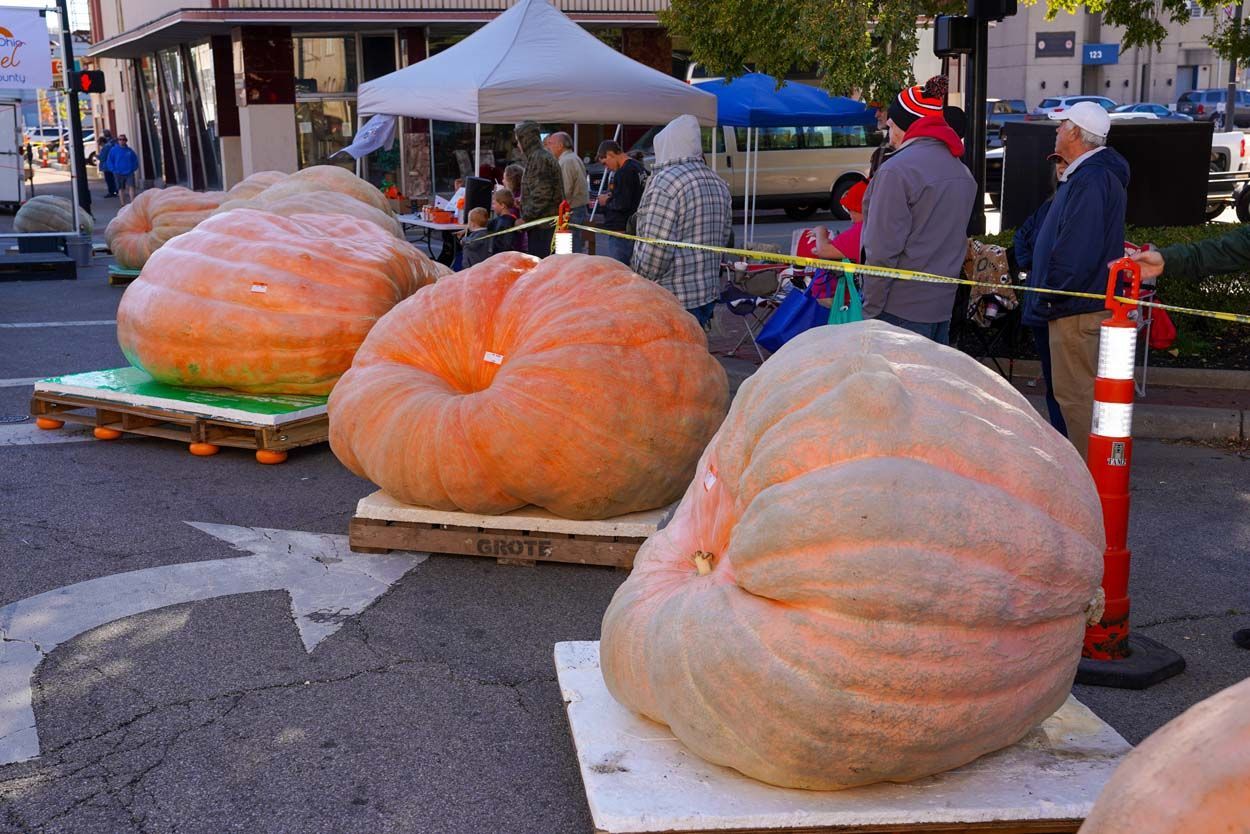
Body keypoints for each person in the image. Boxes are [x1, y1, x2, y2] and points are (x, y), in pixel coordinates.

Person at [1023, 100, 1129, 461]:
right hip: (1071, 307)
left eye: (1060, 125)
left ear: (1075, 134)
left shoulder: (1092, 179)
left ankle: (1089, 483)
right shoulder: (1086, 176)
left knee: (1077, 400)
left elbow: (1076, 252)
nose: (1055, 131)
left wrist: (1050, 295)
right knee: (1072, 398)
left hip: (1074, 310)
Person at [860, 76, 977, 342]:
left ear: (904, 126)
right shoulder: (961, 171)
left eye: (890, 125)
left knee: (893, 384)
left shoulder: (897, 171)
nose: (888, 131)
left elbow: (882, 251)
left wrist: (870, 311)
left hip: (898, 309)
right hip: (941, 307)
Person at [629, 114, 732, 328]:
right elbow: (724, 237)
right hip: (706, 293)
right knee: (696, 354)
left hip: (672, 297)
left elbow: (655, 251)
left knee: (670, 359)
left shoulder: (666, 183)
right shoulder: (717, 181)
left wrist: (637, 279)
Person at [1011, 153, 1070, 436]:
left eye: (1066, 164)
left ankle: (1067, 437)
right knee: (1054, 380)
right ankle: (1061, 436)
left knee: (1065, 383)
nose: (1060, 169)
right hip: (1041, 304)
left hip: (1058, 304)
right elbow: (1021, 237)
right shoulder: (1048, 207)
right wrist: (1032, 265)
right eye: (1058, 164)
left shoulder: (1072, 204)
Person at [807, 180, 867, 309]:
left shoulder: (860, 230)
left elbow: (824, 250)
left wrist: (820, 231)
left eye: (849, 209)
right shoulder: (871, 227)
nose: (849, 215)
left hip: (842, 297)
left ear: (859, 209)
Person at [513, 122, 563, 257]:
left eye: (519, 140)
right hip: (547, 225)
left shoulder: (539, 159)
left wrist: (526, 218)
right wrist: (523, 201)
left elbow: (542, 196)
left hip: (545, 228)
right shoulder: (539, 156)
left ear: (526, 140)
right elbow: (539, 190)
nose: (518, 145)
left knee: (545, 270)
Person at [595, 139, 646, 265]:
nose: (607, 168)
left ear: (610, 154)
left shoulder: (624, 172)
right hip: (633, 228)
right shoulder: (638, 167)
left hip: (622, 231)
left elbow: (622, 203)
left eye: (605, 163)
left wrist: (606, 201)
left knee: (621, 271)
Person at [544, 131, 590, 254]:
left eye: (551, 143)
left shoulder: (566, 161)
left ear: (560, 145)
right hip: (575, 209)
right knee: (572, 247)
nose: (548, 147)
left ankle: (570, 272)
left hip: (570, 211)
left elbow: (564, 190)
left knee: (567, 251)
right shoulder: (573, 158)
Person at [108, 134, 140, 206]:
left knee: (131, 187)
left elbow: (135, 160)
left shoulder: (130, 151)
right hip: (118, 172)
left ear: (126, 141)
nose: (122, 141)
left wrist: (133, 168)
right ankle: (123, 204)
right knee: (121, 188)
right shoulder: (113, 150)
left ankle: (132, 203)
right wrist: (114, 170)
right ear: (118, 141)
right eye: (120, 139)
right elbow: (110, 161)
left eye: (123, 139)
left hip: (129, 172)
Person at [487, 188, 519, 253]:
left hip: (503, 257)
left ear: (502, 205)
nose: (493, 207)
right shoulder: (500, 219)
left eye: (494, 204)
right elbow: (485, 225)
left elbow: (506, 245)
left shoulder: (506, 222)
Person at [97, 131, 117, 198]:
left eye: (99, 144)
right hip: (113, 164)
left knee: (109, 179)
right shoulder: (112, 144)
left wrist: (97, 156)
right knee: (113, 179)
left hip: (107, 166)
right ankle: (115, 191)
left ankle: (111, 192)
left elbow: (102, 157)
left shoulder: (106, 147)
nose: (100, 145)